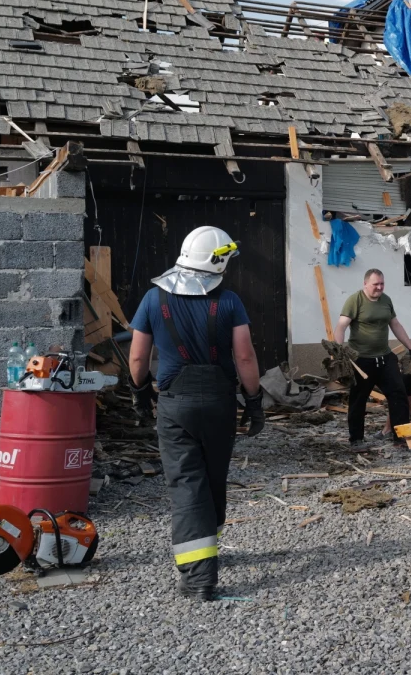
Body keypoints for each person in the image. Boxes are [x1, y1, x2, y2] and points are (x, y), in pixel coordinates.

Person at [128, 226, 264, 602]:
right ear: (216, 261)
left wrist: (139, 392)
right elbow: (245, 356)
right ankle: (208, 551)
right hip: (220, 402)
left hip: (175, 405)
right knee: (213, 475)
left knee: (188, 483)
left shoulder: (154, 300)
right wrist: (253, 401)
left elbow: (139, 357)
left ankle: (199, 576)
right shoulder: (231, 301)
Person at [334, 268, 411, 450]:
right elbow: (341, 327)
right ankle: (356, 439)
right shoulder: (355, 300)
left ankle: (400, 438)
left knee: (398, 395)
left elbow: (395, 324)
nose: (379, 287)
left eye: (382, 284)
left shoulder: (386, 300)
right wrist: (340, 352)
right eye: (375, 284)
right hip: (362, 360)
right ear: (365, 284)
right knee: (359, 399)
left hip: (385, 357)